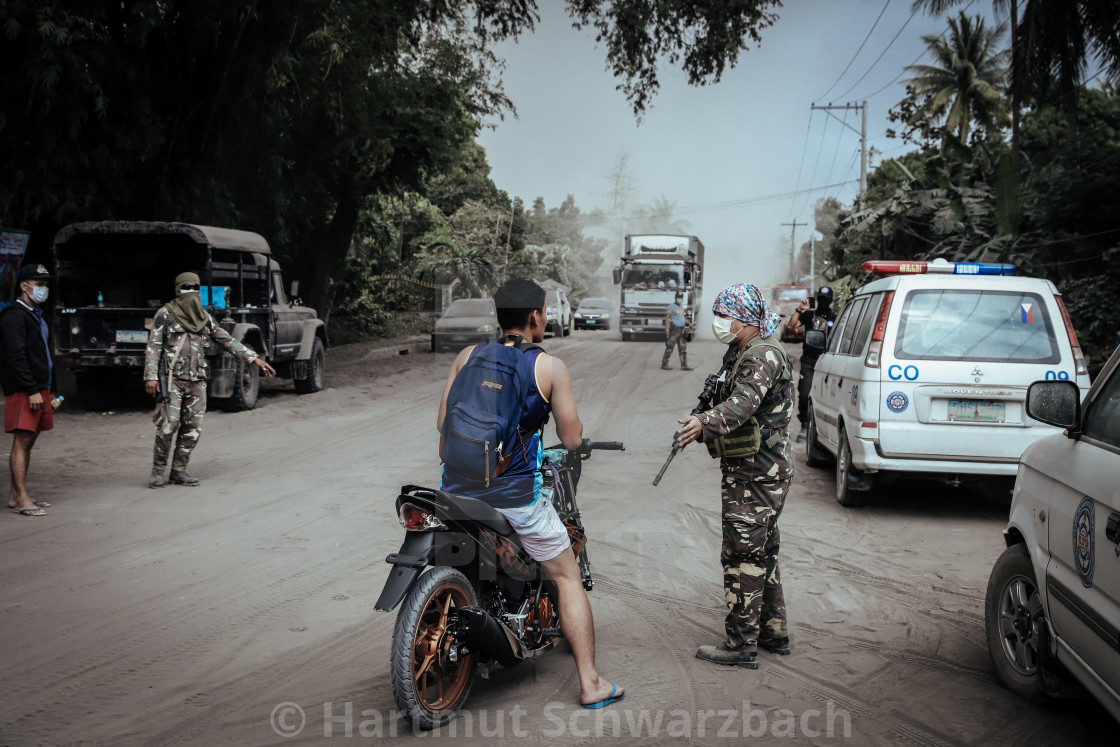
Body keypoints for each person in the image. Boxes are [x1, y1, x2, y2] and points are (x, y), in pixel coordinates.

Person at [437, 278, 624, 709]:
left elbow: (443, 425)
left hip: (455, 493)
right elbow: (571, 438)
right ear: (536, 316)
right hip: (513, 498)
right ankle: (591, 683)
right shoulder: (549, 367)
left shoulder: (467, 357)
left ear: (498, 317)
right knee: (565, 574)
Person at [674, 283, 795, 669]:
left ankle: (741, 645)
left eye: (723, 315)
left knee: (741, 555)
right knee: (763, 553)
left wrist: (702, 423)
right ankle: (773, 632)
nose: (718, 322)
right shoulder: (746, 350)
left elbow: (743, 404)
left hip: (757, 473)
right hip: (759, 469)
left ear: (743, 319)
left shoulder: (761, 355)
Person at [143, 272, 276, 488]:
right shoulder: (165, 314)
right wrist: (150, 377)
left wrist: (255, 359)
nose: (191, 292)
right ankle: (158, 470)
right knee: (169, 425)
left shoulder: (204, 318)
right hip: (172, 380)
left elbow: (227, 340)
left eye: (195, 288)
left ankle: (178, 471)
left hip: (197, 380)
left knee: (193, 429)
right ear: (178, 291)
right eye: (186, 288)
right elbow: (153, 347)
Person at [2, 264, 56, 517]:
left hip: (40, 387)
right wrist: (32, 389)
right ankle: (22, 497)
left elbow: (42, 354)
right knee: (22, 441)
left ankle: (17, 494)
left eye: (45, 285)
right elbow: (16, 355)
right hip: (25, 389)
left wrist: (49, 389)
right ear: (24, 286)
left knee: (30, 441)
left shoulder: (36, 314)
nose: (43, 289)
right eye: (39, 284)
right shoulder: (13, 316)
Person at [788, 286, 835, 441]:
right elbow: (791, 327)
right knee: (805, 392)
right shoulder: (808, 315)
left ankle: (823, 429)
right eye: (820, 299)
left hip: (827, 361)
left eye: (826, 300)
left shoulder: (834, 318)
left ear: (830, 301)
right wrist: (800, 309)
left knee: (827, 395)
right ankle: (804, 425)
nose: (823, 302)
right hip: (808, 360)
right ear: (817, 299)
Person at [661, 291, 695, 371]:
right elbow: (667, 317)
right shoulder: (671, 307)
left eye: (681, 298)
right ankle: (664, 364)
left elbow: (682, 318)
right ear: (675, 298)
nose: (680, 299)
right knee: (670, 347)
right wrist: (667, 328)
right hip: (674, 329)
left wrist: (689, 323)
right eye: (678, 297)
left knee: (683, 348)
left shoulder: (681, 307)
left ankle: (684, 365)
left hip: (682, 330)